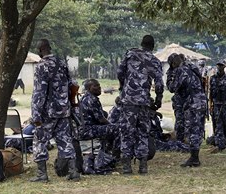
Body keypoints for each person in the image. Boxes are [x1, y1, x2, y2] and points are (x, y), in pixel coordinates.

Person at [30, 38, 80, 182]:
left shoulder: (42, 66)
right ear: (50, 48)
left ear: (40, 51)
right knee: (65, 140)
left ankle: (42, 175)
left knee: (39, 141)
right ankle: (73, 172)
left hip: (48, 112)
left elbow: (39, 92)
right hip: (64, 110)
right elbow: (73, 85)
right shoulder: (62, 63)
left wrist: (36, 114)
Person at [117, 35, 164, 174]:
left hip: (128, 101)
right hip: (144, 101)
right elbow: (160, 83)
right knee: (143, 132)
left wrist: (123, 87)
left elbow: (120, 72)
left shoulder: (130, 54)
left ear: (141, 43)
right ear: (152, 46)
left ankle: (126, 166)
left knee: (127, 132)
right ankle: (143, 166)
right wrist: (159, 99)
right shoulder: (154, 61)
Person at [167, 54, 207, 167]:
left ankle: (194, 159)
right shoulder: (192, 67)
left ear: (173, 64)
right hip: (202, 100)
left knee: (192, 130)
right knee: (198, 129)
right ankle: (195, 157)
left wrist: (170, 75)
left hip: (193, 102)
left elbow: (172, 88)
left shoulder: (181, 70)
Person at [78, 79, 120, 155]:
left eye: (99, 85)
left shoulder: (84, 98)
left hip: (83, 129)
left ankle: (105, 153)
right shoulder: (92, 99)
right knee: (117, 129)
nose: (99, 87)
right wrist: (111, 125)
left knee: (109, 128)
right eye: (96, 86)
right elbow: (101, 120)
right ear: (89, 88)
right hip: (88, 130)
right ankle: (113, 156)